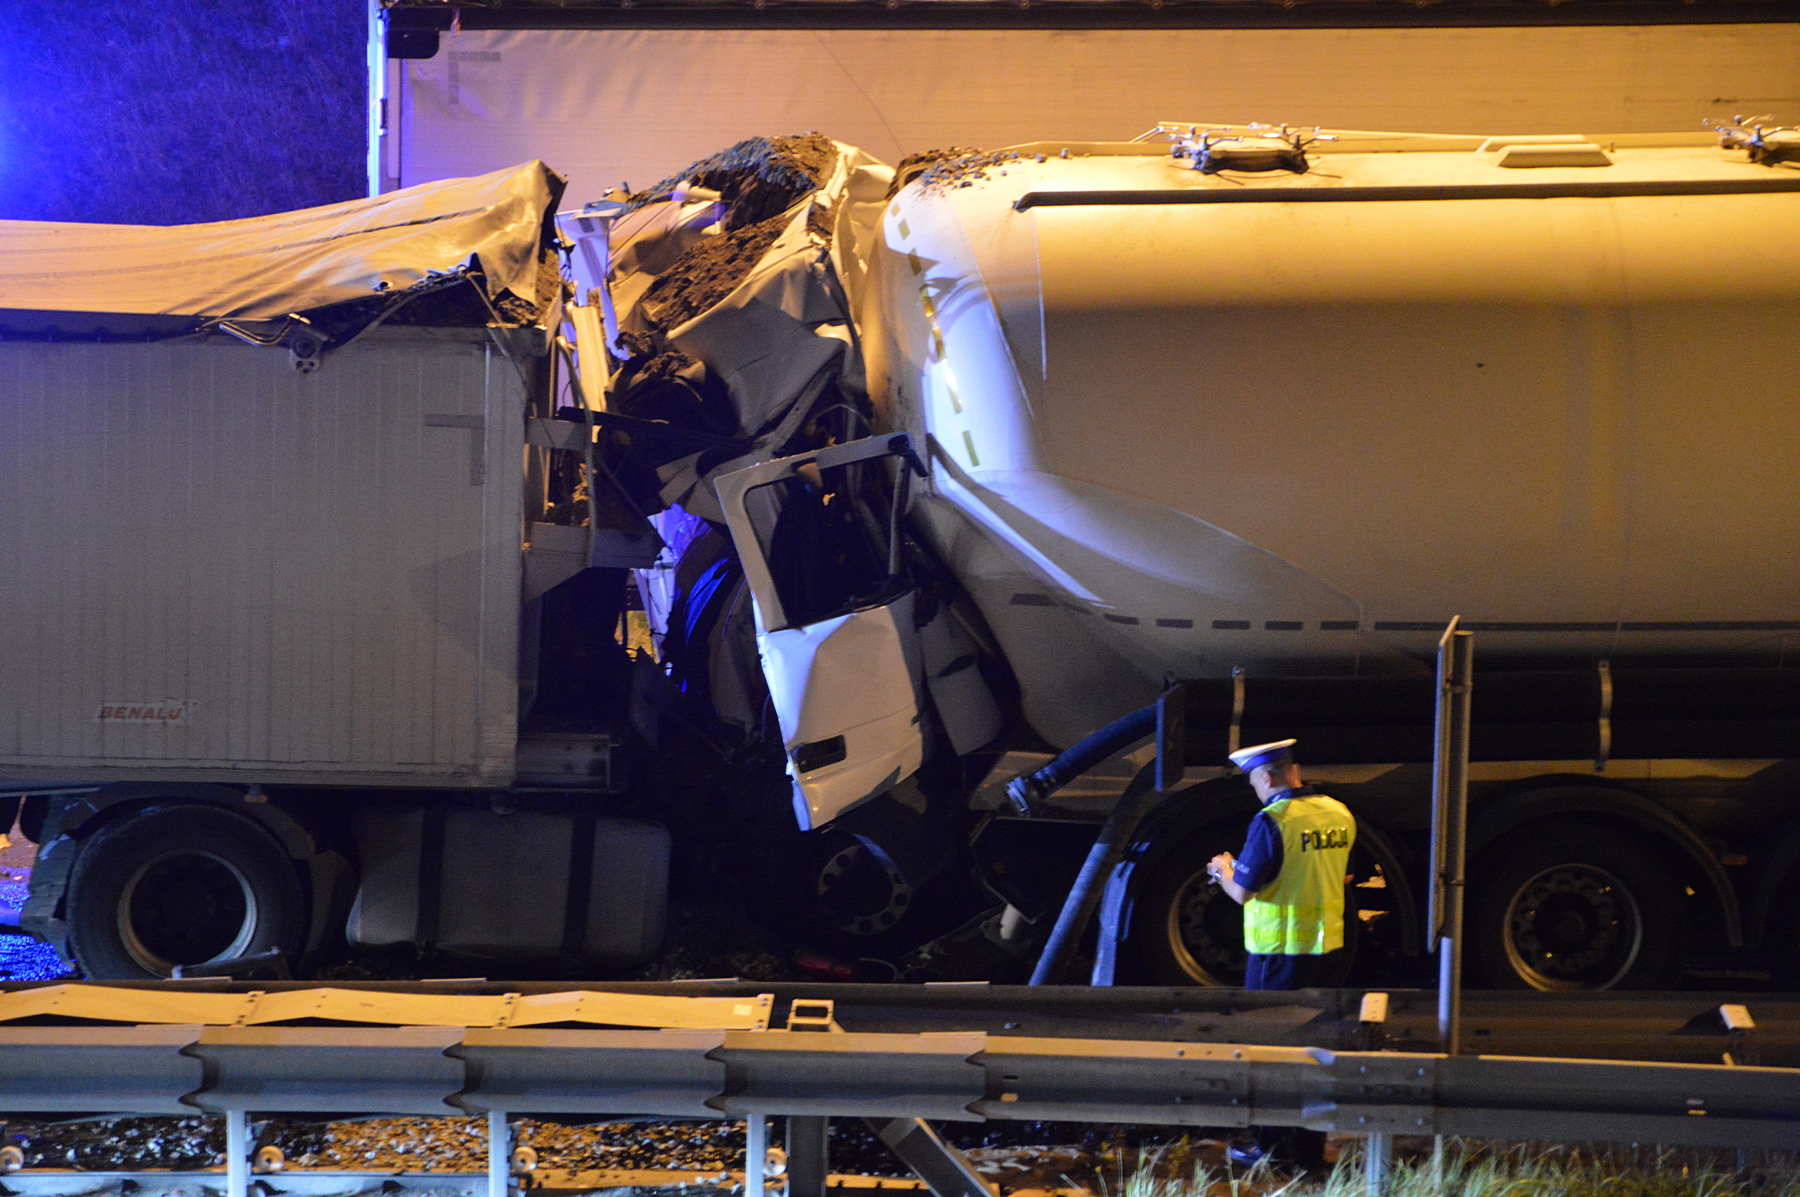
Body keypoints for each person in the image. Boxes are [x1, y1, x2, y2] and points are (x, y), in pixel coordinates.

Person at [1208, 737, 1356, 1169]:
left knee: (1271, 1055)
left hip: (1278, 957)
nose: (1256, 790)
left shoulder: (1273, 820)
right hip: (1327, 951)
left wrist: (1222, 869)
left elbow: (1241, 892)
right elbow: (1342, 876)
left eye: (1254, 781)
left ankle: (1270, 1151)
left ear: (1267, 776)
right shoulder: (1337, 812)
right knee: (1315, 1054)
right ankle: (1309, 1152)